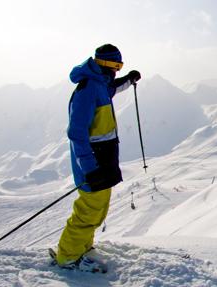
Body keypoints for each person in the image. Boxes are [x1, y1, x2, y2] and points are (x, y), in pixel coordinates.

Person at [54, 44, 141, 271]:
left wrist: (129, 80)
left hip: (105, 159)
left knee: (99, 210)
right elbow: (76, 132)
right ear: (103, 63)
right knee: (88, 211)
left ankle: (82, 246)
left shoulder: (101, 84)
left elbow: (113, 87)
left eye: (120, 66)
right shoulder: (88, 89)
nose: (117, 71)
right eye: (115, 65)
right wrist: (90, 168)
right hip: (93, 163)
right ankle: (67, 257)